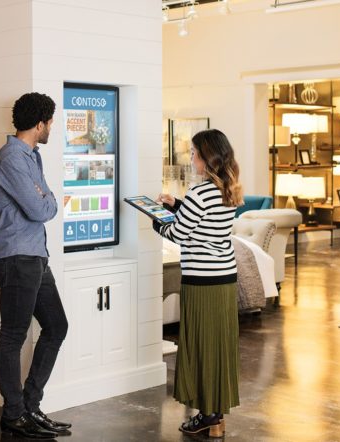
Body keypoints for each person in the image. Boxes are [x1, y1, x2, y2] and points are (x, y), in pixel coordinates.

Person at [0, 92, 71, 439]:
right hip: (17, 257)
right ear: (39, 124)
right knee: (13, 335)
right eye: (50, 122)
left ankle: (29, 405)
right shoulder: (10, 157)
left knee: (56, 326)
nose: (52, 127)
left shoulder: (31, 156)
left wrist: (46, 199)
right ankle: (13, 414)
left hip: (36, 255)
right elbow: (42, 209)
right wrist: (49, 201)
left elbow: (44, 201)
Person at [154, 129, 243, 438]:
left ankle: (207, 415)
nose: (190, 158)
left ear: (206, 157)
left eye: (193, 153)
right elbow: (204, 221)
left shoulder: (199, 191)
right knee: (217, 345)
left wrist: (156, 220)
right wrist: (176, 205)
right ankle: (216, 415)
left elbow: (178, 235)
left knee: (201, 345)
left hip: (202, 280)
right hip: (224, 278)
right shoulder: (227, 188)